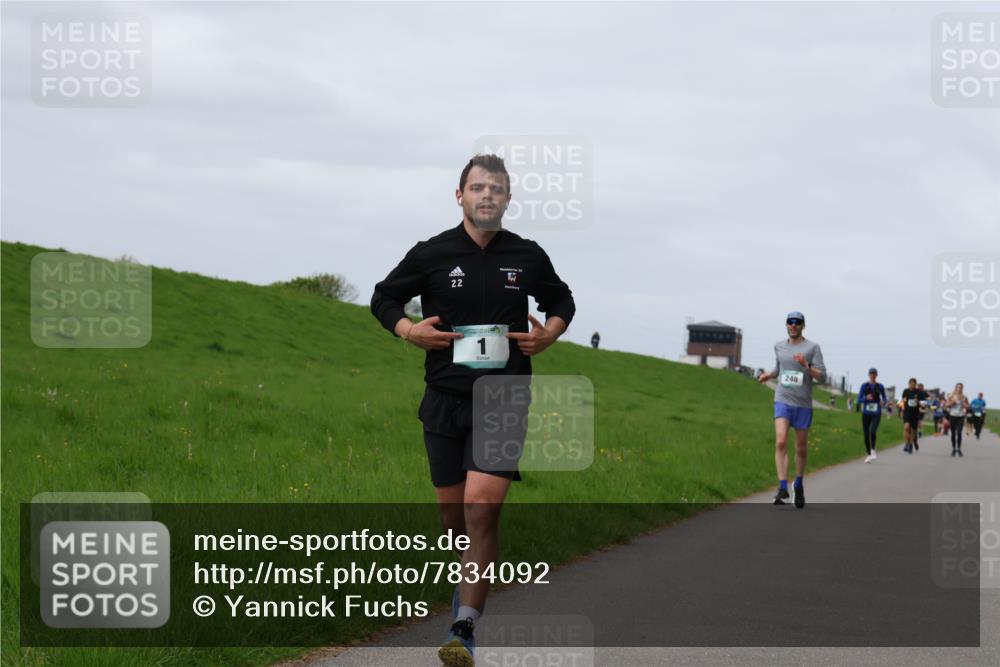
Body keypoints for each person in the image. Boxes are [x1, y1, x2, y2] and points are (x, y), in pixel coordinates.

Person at [370, 154, 576, 666]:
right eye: (478, 188)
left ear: (508, 199)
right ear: (459, 195)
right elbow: (383, 298)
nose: (488, 196)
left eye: (498, 189)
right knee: (453, 515)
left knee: (482, 507)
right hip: (443, 398)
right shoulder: (432, 253)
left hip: (504, 397)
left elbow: (561, 300)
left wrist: (548, 334)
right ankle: (466, 584)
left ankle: (464, 627)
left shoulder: (527, 255)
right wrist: (409, 330)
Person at [757, 311, 827, 509]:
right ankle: (782, 487)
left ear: (803, 326)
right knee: (780, 441)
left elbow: (822, 377)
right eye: (790, 322)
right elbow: (779, 370)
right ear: (786, 325)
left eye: (797, 322)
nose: (794, 325)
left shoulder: (812, 348)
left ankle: (798, 483)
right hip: (782, 399)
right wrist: (768, 376)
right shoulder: (779, 346)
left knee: (801, 447)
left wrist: (806, 366)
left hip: (803, 403)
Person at [857, 367, 887, 463]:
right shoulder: (864, 386)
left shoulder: (880, 386)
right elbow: (859, 399)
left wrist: (884, 402)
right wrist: (866, 398)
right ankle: (869, 454)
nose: (873, 375)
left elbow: (885, 398)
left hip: (876, 412)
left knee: (872, 430)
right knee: (866, 434)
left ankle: (873, 450)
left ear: (876, 375)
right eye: (871, 374)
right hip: (866, 413)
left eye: (874, 374)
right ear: (869, 375)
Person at [900, 378, 928, 454]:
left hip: (915, 414)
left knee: (914, 432)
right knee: (906, 428)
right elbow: (902, 401)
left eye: (913, 384)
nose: (912, 385)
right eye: (911, 384)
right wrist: (901, 411)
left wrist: (918, 402)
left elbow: (924, 404)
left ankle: (913, 442)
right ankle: (908, 444)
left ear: (915, 384)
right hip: (907, 413)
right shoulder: (906, 391)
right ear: (908, 384)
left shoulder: (919, 392)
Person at [945, 383, 970, 457]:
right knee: (953, 433)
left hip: (961, 416)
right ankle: (953, 449)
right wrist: (952, 402)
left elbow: (968, 406)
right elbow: (946, 405)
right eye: (958, 387)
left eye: (961, 387)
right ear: (955, 388)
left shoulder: (964, 397)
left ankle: (958, 449)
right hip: (952, 416)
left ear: (962, 388)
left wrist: (965, 405)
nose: (959, 388)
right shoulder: (951, 395)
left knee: (959, 432)